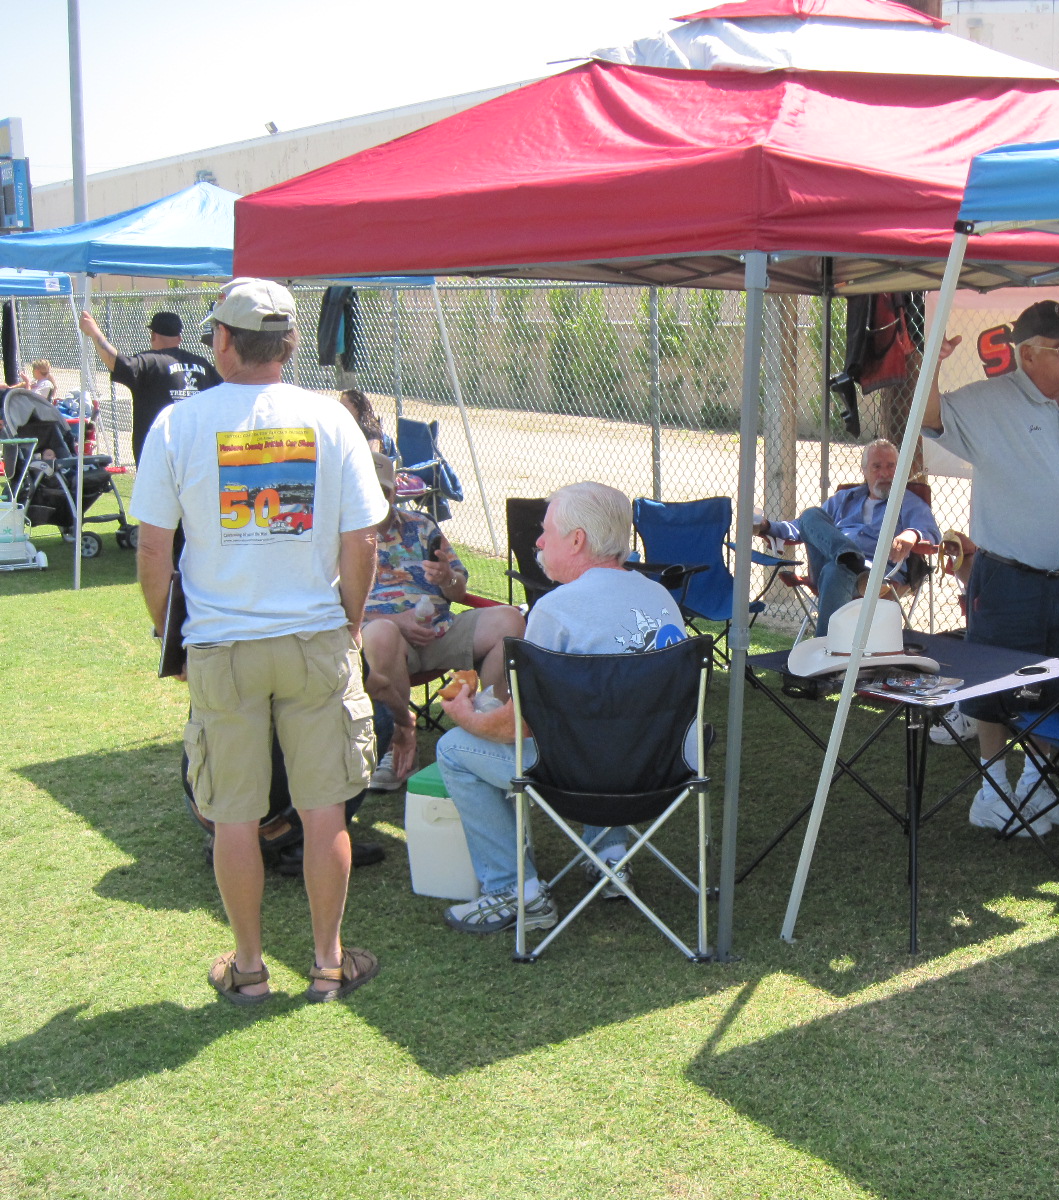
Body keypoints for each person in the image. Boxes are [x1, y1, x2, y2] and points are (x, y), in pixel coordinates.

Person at [129, 277, 388, 1005]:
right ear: (291, 343)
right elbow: (363, 540)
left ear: (221, 341)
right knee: (324, 809)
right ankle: (328, 963)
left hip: (222, 645)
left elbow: (153, 550)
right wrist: (350, 622)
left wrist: (171, 635)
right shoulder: (331, 420)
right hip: (315, 640)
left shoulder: (177, 425)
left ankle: (249, 968)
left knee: (233, 816)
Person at [434, 481, 687, 934]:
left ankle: (517, 891)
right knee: (606, 724)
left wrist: (467, 716)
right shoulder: (660, 597)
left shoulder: (555, 610)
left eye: (546, 530)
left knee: (454, 749)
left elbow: (518, 728)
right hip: (664, 769)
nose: (537, 541)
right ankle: (611, 857)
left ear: (576, 540)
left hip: (580, 780)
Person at [927, 299, 1059, 834]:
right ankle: (993, 789)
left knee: (1057, 687)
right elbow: (929, 418)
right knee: (993, 687)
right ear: (1026, 355)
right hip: (1008, 578)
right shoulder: (990, 401)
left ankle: (1037, 785)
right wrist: (930, 364)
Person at [360, 452, 526, 790]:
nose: (377, 498)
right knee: (380, 633)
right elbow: (334, 606)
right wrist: (397, 622)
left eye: (384, 490)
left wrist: (446, 577)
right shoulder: (341, 535)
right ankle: (395, 744)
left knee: (509, 620)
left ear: (395, 492)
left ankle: (487, 722)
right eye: (368, 489)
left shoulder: (421, 526)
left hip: (439, 631)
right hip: (384, 642)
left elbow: (458, 589)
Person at [754, 438, 939, 635]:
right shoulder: (845, 498)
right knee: (810, 515)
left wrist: (911, 534)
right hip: (828, 563)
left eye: (891, 466)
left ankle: (826, 645)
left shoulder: (908, 502)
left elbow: (931, 534)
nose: (885, 473)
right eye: (877, 467)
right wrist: (767, 526)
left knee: (837, 570)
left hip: (877, 574)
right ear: (864, 471)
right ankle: (850, 559)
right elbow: (804, 527)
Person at [79, 307, 221, 462]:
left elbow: (118, 363)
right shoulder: (203, 364)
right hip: (197, 451)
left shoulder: (149, 362)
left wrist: (94, 333)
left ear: (153, 335)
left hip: (156, 455)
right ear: (179, 337)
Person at [338, 388, 397, 458]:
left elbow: (374, 458)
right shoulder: (343, 426)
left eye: (344, 406)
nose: (340, 409)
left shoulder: (370, 431)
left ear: (357, 408)